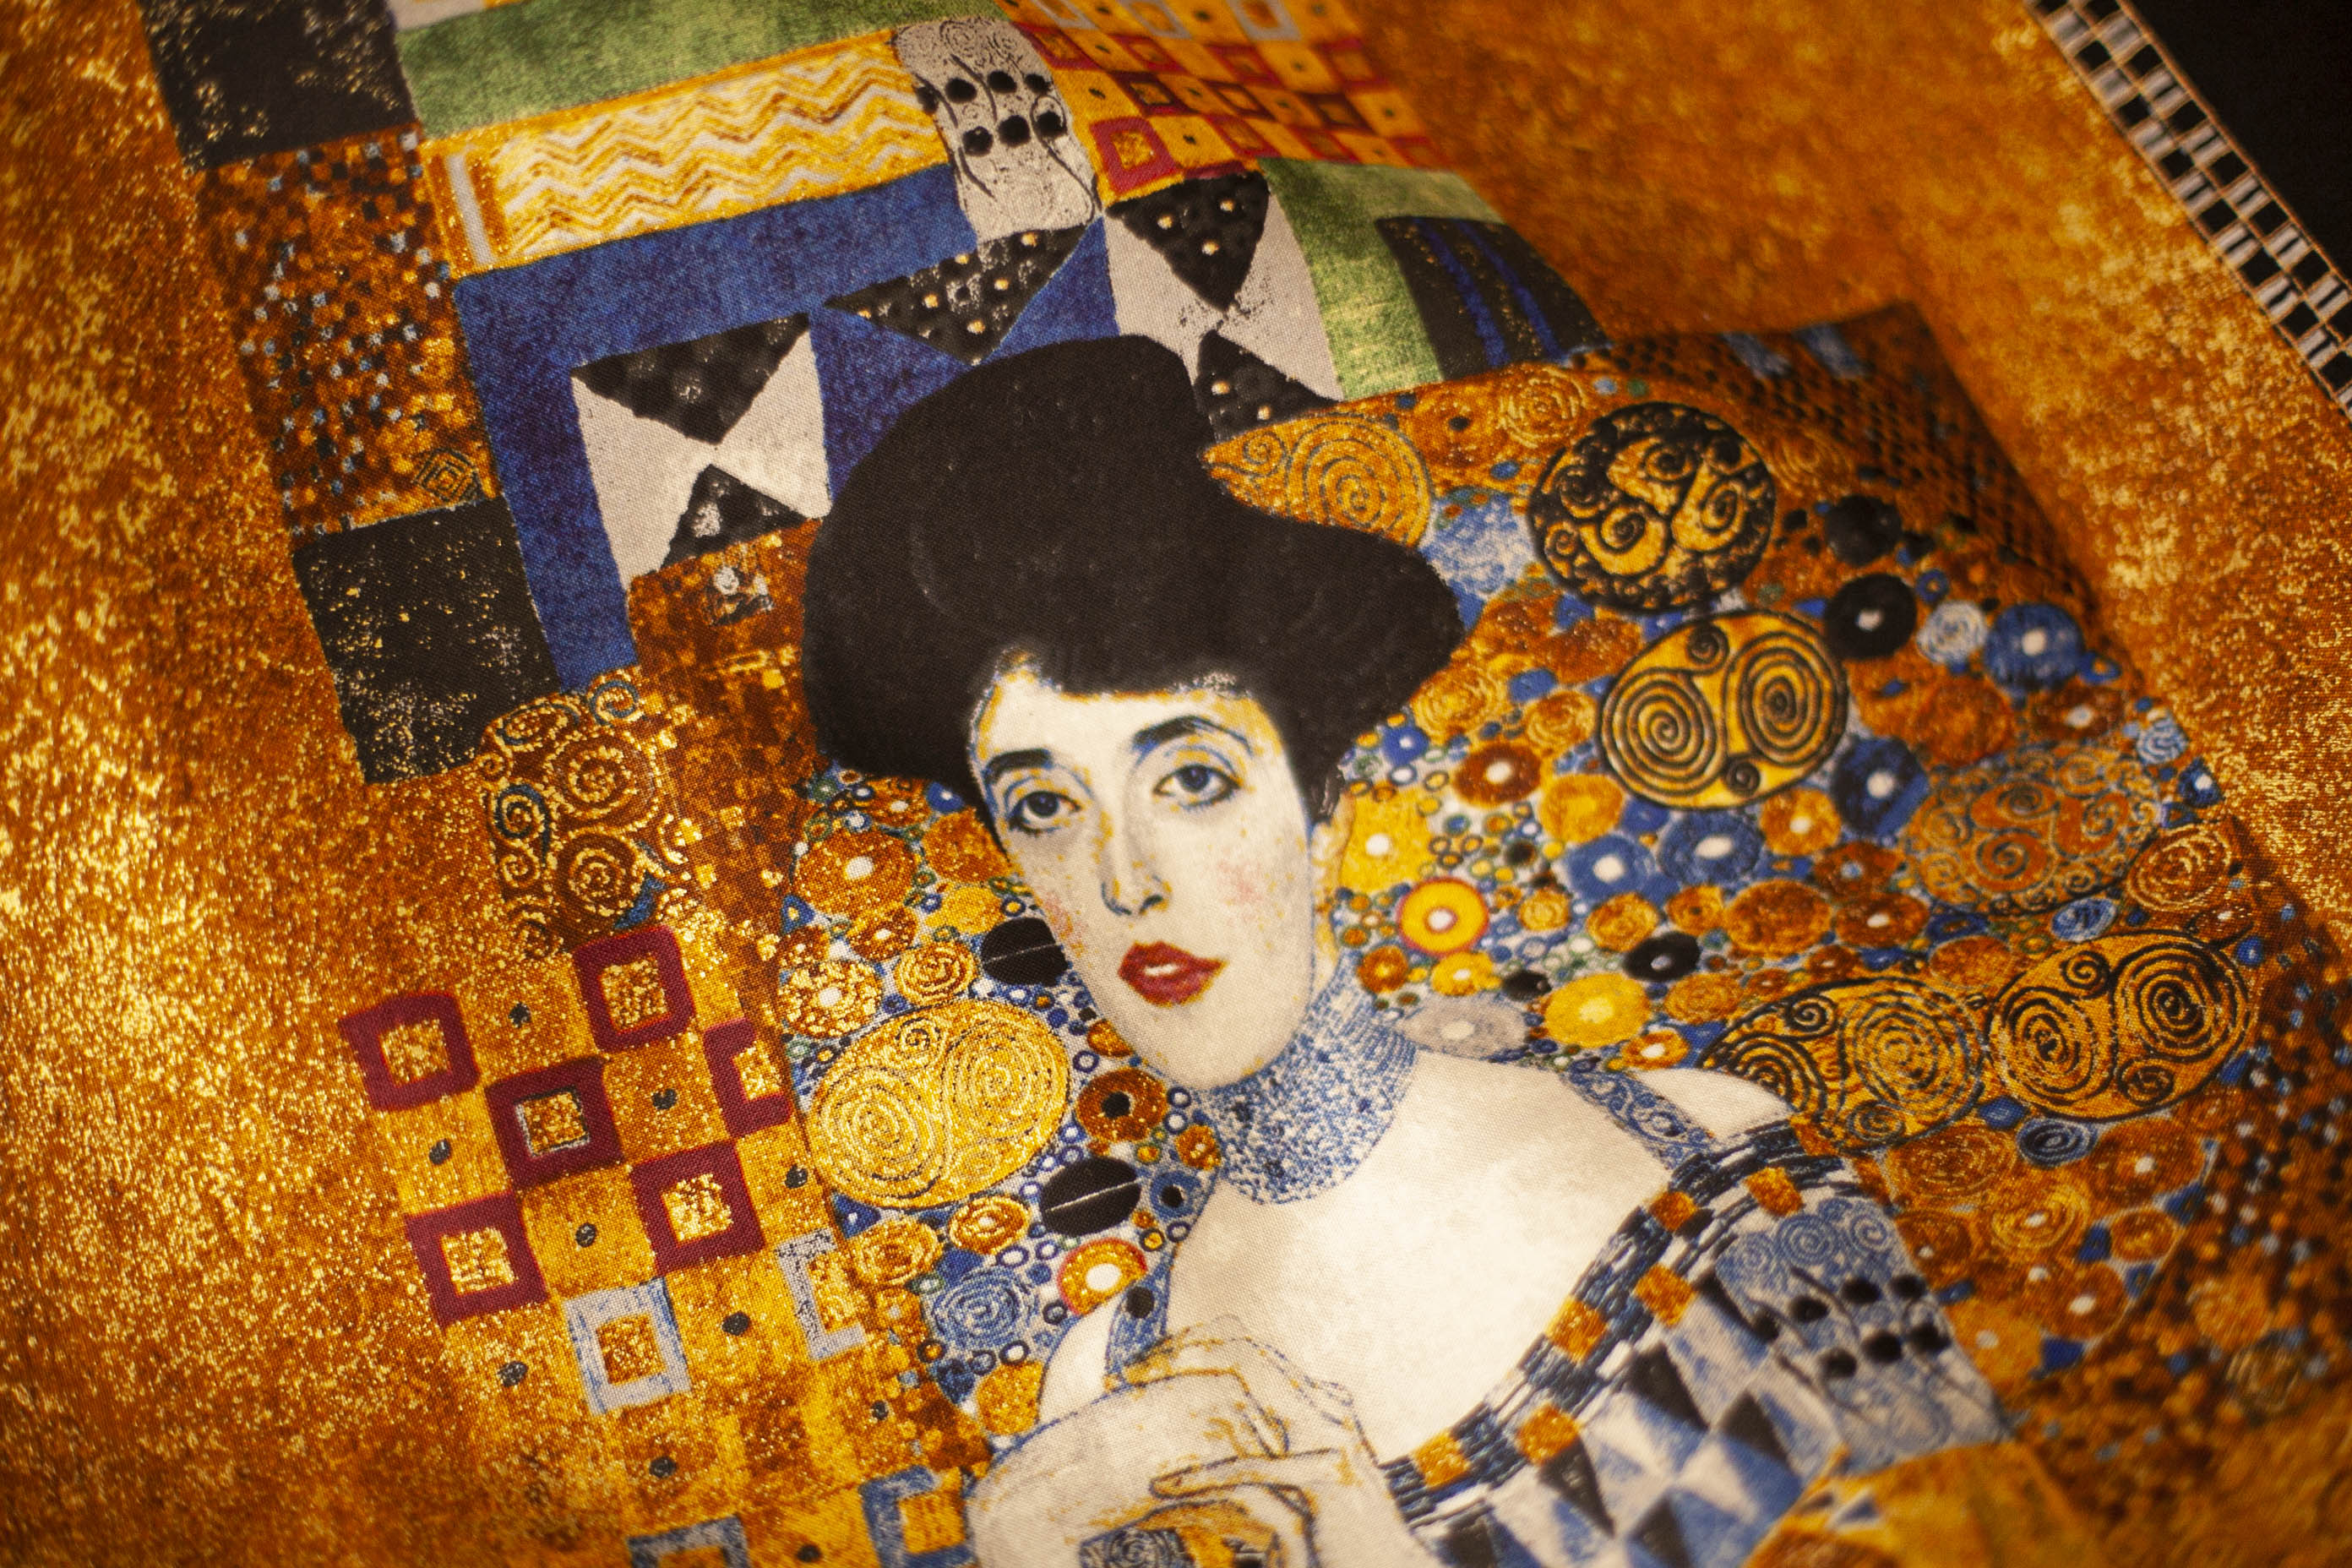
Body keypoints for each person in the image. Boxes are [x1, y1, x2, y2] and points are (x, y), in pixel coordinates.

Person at [801, 337, 2004, 1568]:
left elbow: (1993, 1537)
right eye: (1045, 807)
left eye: (1195, 780)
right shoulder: (1103, 1390)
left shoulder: (1709, 1155)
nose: (1126, 879)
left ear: (1323, 814)